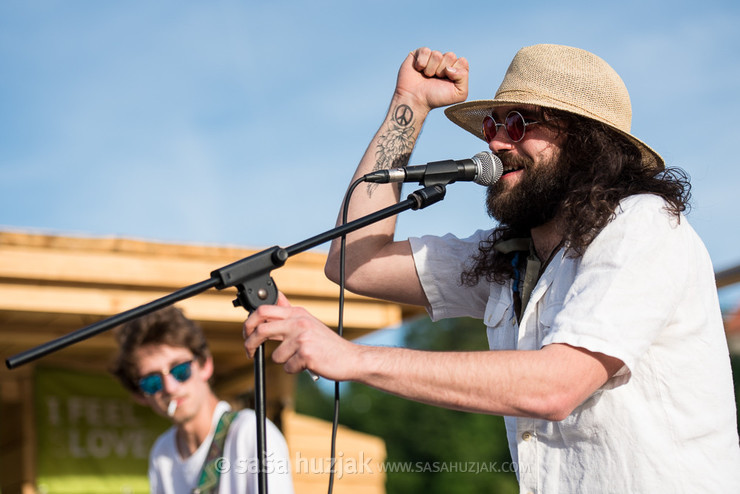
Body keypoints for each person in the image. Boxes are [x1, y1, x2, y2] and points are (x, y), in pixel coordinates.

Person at [243, 44, 740, 492]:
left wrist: (353, 359)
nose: (497, 144)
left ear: (589, 143)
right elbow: (355, 260)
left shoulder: (643, 224)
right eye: (493, 125)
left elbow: (556, 385)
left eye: (520, 123)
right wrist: (410, 106)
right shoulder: (508, 256)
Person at [111, 305, 294, 494]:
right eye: (152, 382)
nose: (170, 387)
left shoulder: (251, 433)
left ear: (205, 364)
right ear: (140, 395)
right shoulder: (162, 452)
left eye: (180, 370)